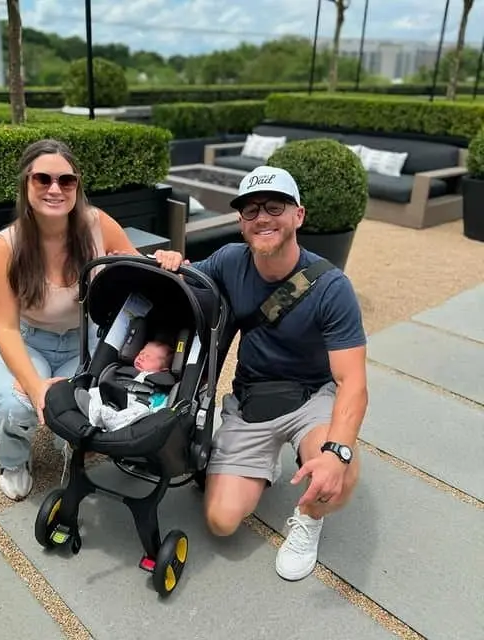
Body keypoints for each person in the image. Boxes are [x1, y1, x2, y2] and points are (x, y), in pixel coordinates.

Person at [154, 165, 368, 582]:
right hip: (252, 398)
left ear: (298, 215)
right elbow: (188, 282)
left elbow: (353, 382)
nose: (262, 217)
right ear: (241, 222)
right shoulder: (229, 260)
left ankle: (309, 519)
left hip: (312, 397)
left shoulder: (332, 287)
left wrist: (337, 452)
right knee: (220, 521)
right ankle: (264, 463)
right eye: (250, 210)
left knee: (338, 476)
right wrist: (172, 260)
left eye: (274, 207)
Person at [0, 138, 143, 501]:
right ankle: (12, 460)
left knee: (82, 404)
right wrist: (35, 386)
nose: (55, 189)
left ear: (77, 186)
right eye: (43, 179)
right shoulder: (5, 247)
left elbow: (136, 268)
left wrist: (164, 260)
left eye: (66, 180)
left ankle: (70, 444)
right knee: (15, 402)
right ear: (26, 184)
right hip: (27, 340)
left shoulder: (97, 225)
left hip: (83, 340)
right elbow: (5, 328)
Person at [76, 340, 175, 431]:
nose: (141, 357)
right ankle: (95, 414)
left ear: (163, 370)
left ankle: (105, 419)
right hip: (114, 399)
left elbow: (161, 407)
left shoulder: (160, 385)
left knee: (142, 411)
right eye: (141, 353)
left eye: (148, 357)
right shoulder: (125, 372)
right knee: (97, 392)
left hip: (137, 407)